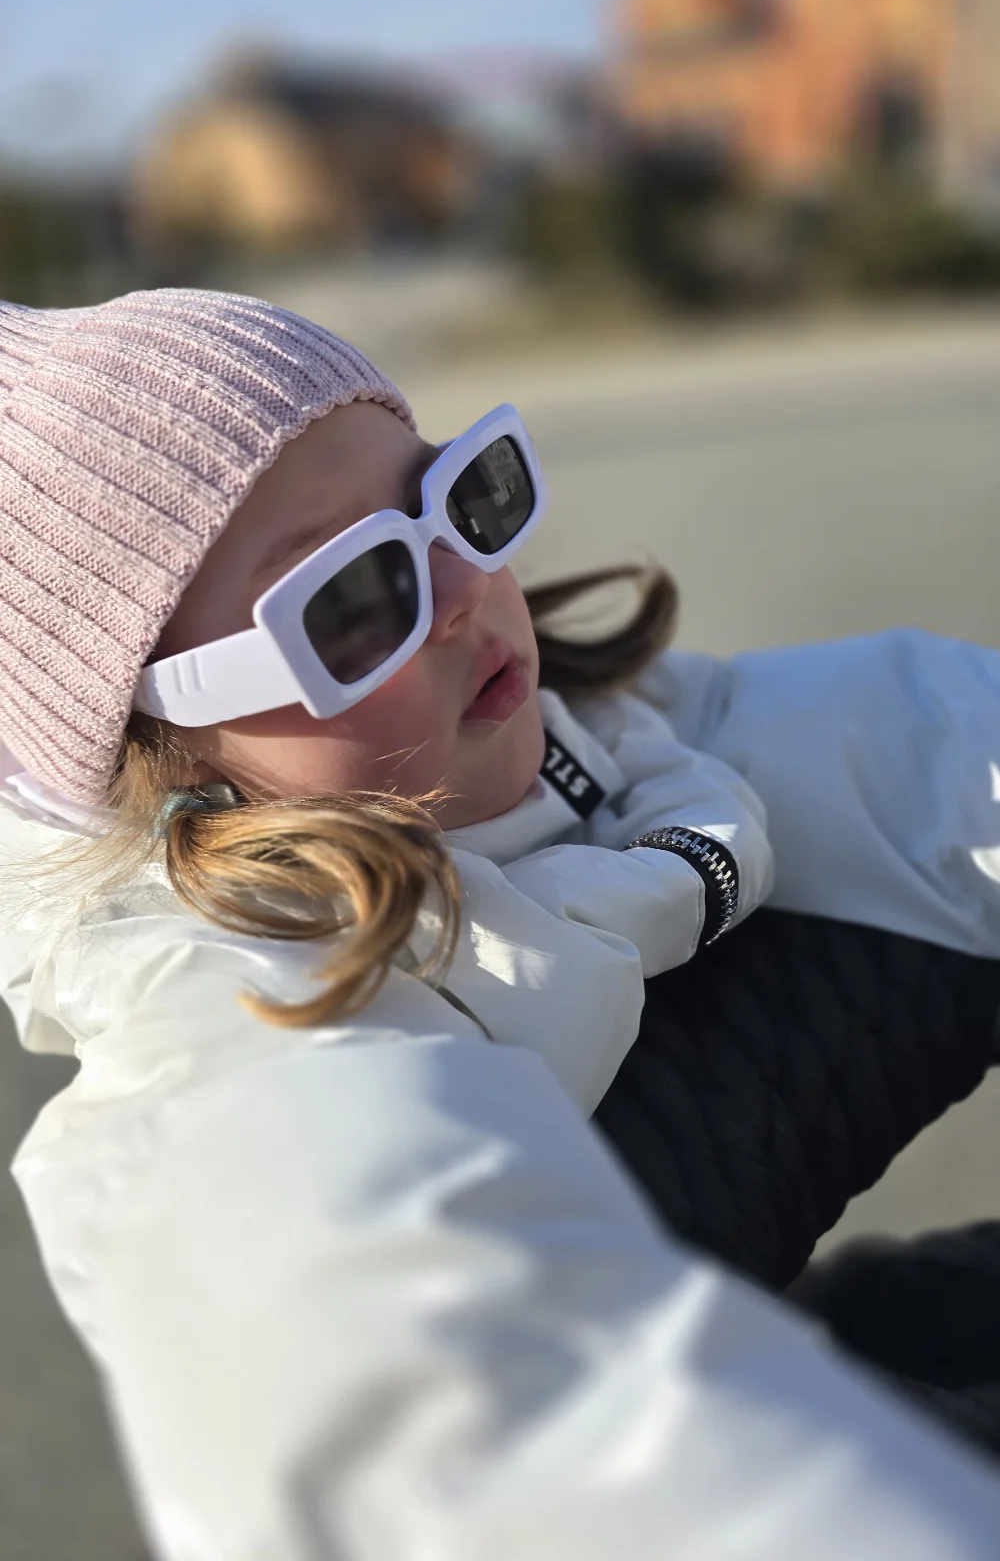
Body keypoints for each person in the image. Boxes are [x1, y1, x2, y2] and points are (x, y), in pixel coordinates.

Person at [1, 288, 1000, 1561]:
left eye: (460, 498)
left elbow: (931, 750)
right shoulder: (220, 1021)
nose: (467, 587)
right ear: (163, 752)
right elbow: (434, 1395)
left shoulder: (643, 742)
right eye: (353, 598)